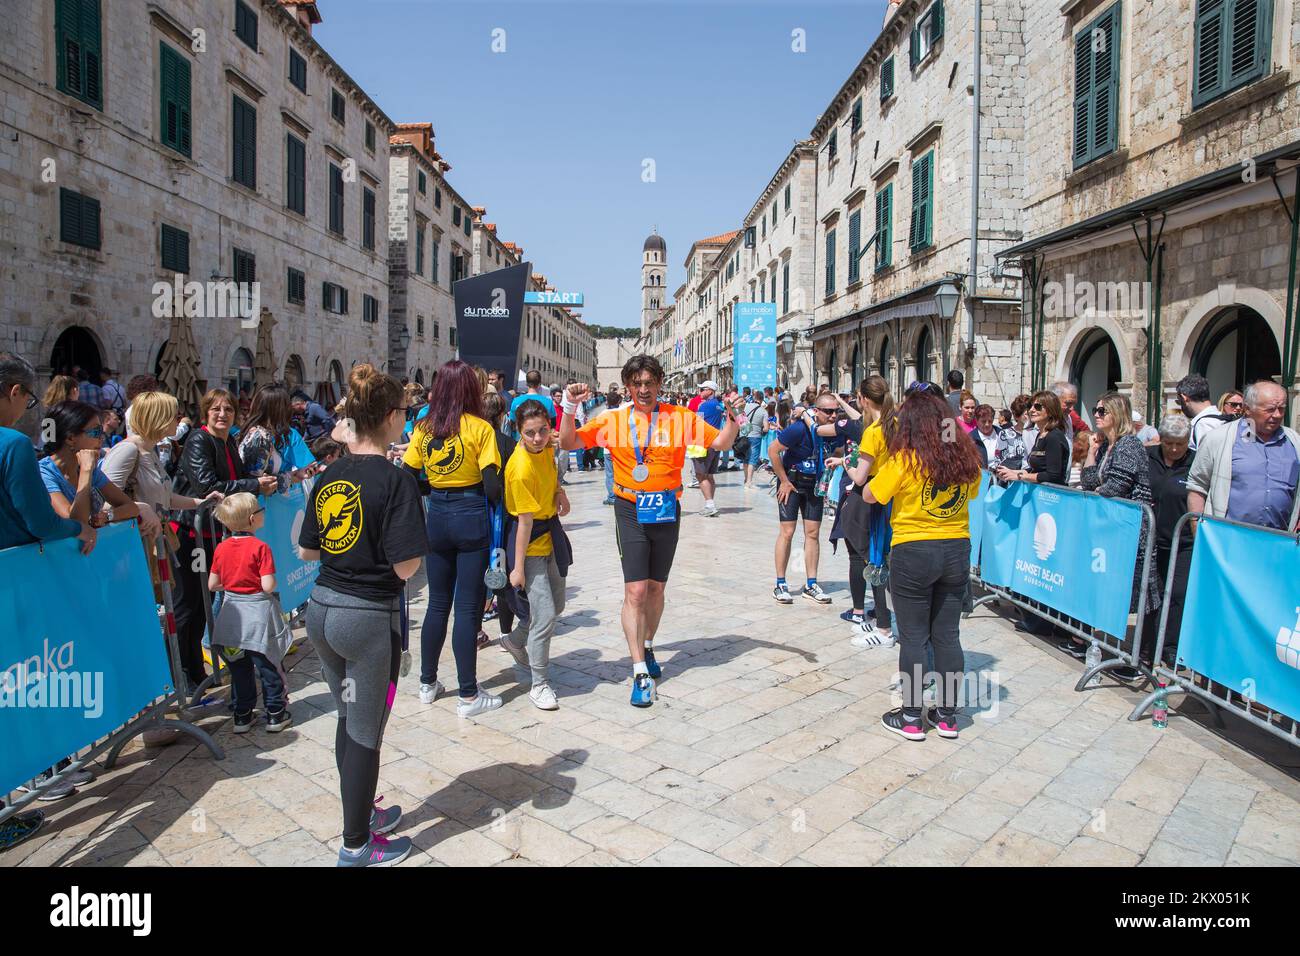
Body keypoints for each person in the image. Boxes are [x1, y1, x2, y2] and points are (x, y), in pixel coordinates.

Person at [299, 363, 425, 866]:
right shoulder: (395, 481)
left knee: (349, 718)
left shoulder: (332, 470)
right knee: (366, 732)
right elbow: (406, 565)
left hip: (322, 609)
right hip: (368, 618)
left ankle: (363, 815)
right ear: (392, 417)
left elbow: (308, 551)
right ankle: (356, 846)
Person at [560, 355, 740, 707]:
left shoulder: (681, 417)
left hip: (666, 508)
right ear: (628, 386)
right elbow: (568, 444)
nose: (643, 390)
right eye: (636, 383)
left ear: (659, 383)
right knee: (637, 590)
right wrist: (569, 406)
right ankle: (639, 669)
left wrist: (733, 415)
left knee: (656, 588)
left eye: (649, 382)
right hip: (630, 507)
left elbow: (722, 444)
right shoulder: (612, 420)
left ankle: (648, 644)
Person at [864, 390, 982, 740]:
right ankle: (947, 715)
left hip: (914, 549)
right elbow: (973, 492)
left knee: (914, 637)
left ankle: (912, 715)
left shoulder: (905, 460)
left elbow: (873, 495)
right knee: (947, 635)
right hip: (955, 549)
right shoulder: (965, 460)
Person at [402, 360, 504, 717]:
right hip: (471, 514)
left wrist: (435, 485)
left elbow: (409, 474)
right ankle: (469, 694)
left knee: (436, 604)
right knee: (466, 607)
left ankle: (427, 683)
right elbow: (492, 485)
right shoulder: (480, 428)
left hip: (438, 516)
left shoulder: (424, 426)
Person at [171, 389, 278, 690]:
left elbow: (239, 476)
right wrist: (253, 484)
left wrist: (260, 484)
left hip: (213, 533)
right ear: (205, 412)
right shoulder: (198, 440)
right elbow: (207, 485)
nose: (222, 414)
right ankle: (180, 675)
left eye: (228, 409)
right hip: (190, 533)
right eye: (216, 409)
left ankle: (196, 671)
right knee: (187, 604)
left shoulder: (227, 440)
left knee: (203, 606)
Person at [1081, 391, 1162, 682]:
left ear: (1118, 413)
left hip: (1134, 533)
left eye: (1103, 410)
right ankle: (1124, 653)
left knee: (1142, 595)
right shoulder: (1107, 446)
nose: (1097, 414)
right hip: (1113, 533)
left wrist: (1093, 493)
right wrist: (1091, 450)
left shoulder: (1129, 445)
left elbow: (1117, 486)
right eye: (1096, 409)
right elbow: (1090, 480)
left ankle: (1142, 659)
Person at [499, 399, 570, 710]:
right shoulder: (519, 468)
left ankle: (514, 641)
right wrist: (517, 568)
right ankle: (539, 684)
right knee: (543, 617)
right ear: (519, 432)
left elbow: (553, 479)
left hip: (550, 537)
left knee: (557, 606)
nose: (538, 438)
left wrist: (560, 493)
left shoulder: (548, 450)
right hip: (528, 543)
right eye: (530, 433)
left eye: (543, 430)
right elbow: (524, 522)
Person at [209, 492, 292, 733]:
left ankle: (242, 716)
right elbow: (268, 585)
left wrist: (234, 584)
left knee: (239, 668)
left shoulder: (222, 548)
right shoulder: (260, 547)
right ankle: (276, 713)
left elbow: (213, 584)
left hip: (231, 616)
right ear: (252, 519)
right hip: (258, 614)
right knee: (268, 665)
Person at [826, 374, 896, 645]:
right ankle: (883, 619)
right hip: (891, 498)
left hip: (871, 498)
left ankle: (884, 629)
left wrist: (845, 463)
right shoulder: (896, 424)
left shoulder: (873, 433)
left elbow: (859, 476)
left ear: (865, 399)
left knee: (873, 560)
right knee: (880, 559)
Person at [0, 353, 94, 553]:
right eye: (28, 400)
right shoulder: (14, 444)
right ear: (15, 392)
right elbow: (41, 523)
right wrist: (80, 529)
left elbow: (47, 438)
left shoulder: (48, 413)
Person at [1187, 379, 1300, 531]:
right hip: (1227, 540)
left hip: (1278, 542)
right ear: (1247, 408)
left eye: (1282, 409)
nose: (1277, 415)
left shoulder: (1294, 442)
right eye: (1270, 409)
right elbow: (1197, 485)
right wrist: (1199, 533)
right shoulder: (1219, 438)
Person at [767, 391, 841, 606]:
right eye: (828, 411)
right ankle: (780, 583)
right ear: (816, 412)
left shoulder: (833, 431)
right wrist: (784, 480)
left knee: (813, 533)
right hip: (792, 483)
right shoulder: (799, 429)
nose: (833, 415)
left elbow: (837, 448)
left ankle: (811, 583)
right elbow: (773, 451)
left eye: (836, 411)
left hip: (814, 485)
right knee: (787, 532)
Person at [39, 401, 149, 534]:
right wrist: (86, 471)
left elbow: (131, 507)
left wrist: (108, 516)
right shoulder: (44, 473)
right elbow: (76, 523)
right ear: (70, 438)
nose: (101, 438)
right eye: (95, 432)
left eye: (102, 432)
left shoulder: (89, 468)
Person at [1144, 414, 1192, 668]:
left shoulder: (1195, 462)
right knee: (1149, 593)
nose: (1174, 449)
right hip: (1151, 539)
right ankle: (1147, 645)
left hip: (1182, 540)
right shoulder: (1147, 456)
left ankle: (1170, 645)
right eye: (1169, 443)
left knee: (1177, 594)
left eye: (1180, 444)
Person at [240, 384, 318, 492]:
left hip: (244, 501)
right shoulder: (289, 435)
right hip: (276, 502)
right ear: (283, 409)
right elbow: (310, 468)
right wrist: (295, 475)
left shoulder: (240, 433)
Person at [995, 390, 1070, 487]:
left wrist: (1019, 476)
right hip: (1039, 493)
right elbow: (1035, 469)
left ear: (1051, 410)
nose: (1031, 410)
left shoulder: (1054, 437)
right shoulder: (1041, 435)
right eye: (1030, 406)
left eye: (1037, 407)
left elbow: (1053, 475)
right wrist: (1011, 472)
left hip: (1051, 497)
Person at [689, 380, 725, 515]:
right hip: (715, 442)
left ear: (710, 390)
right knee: (709, 475)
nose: (700, 392)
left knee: (700, 475)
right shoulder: (718, 405)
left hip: (702, 441)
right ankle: (710, 503)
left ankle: (710, 505)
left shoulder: (704, 406)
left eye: (703, 389)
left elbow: (696, 424)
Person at [1175, 373, 1228, 452]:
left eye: (1179, 402)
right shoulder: (1221, 419)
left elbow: (1206, 460)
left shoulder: (1204, 424)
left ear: (1184, 398)